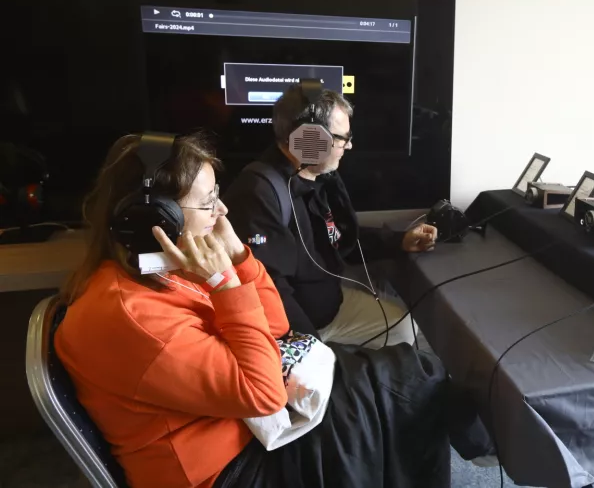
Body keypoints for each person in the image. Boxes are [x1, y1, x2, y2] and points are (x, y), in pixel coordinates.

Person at [54, 133, 462, 487]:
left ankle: (476, 430)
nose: (222, 212)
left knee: (403, 373)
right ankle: (479, 431)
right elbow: (264, 394)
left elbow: (276, 327)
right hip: (225, 470)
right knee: (403, 391)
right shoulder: (134, 316)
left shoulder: (162, 269)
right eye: (208, 202)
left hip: (239, 425)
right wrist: (225, 285)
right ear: (152, 220)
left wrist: (238, 259)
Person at [224, 85, 437, 346]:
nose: (349, 145)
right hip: (297, 330)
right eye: (343, 138)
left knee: (404, 330)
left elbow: (339, 236)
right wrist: (311, 351)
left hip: (331, 307)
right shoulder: (259, 193)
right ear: (311, 138)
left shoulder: (318, 176)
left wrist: (399, 241)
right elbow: (270, 291)